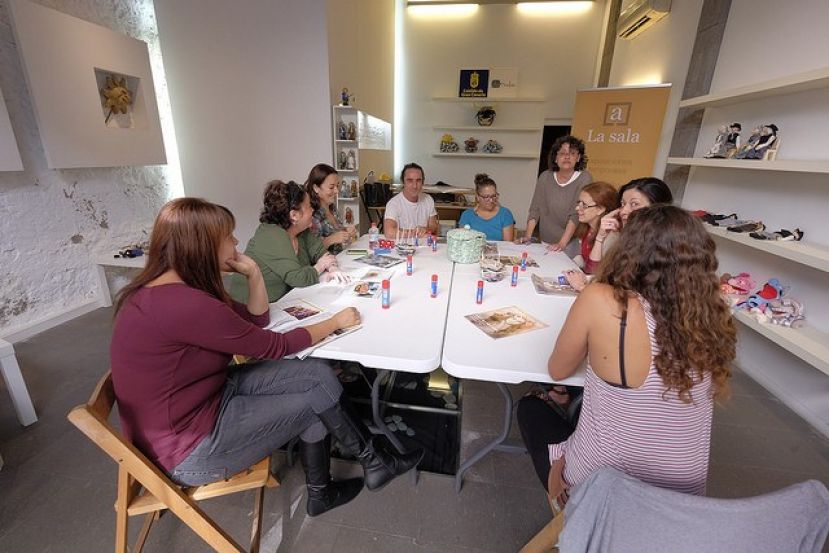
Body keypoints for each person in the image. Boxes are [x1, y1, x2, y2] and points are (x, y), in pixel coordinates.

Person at [110, 198, 424, 518]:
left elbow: (256, 320)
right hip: (190, 448)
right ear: (201, 247)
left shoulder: (175, 288)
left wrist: (253, 273)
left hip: (206, 399)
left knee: (316, 375)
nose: (236, 242)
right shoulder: (187, 305)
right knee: (317, 400)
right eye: (228, 237)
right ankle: (351, 475)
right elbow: (272, 345)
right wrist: (335, 322)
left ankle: (363, 469)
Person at [517, 205, 735, 511]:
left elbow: (558, 370)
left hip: (601, 494)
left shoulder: (602, 299)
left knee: (530, 406)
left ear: (630, 251)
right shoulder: (710, 315)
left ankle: (565, 509)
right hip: (683, 504)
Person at [229, 180, 342, 303]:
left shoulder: (301, 230)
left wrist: (332, 268)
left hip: (285, 300)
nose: (312, 210)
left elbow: (321, 252)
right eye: (309, 206)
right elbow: (298, 279)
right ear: (294, 215)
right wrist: (320, 266)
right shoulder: (271, 235)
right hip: (251, 308)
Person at [566, 176, 674, 291]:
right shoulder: (629, 241)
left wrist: (583, 288)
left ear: (658, 209)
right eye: (623, 204)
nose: (623, 211)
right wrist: (600, 237)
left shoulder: (659, 251)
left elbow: (631, 299)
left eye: (634, 204)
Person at [518, 135, 593, 253]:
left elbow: (576, 214)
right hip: (546, 239)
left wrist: (562, 243)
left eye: (572, 153)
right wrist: (528, 236)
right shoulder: (545, 177)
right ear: (555, 158)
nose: (567, 157)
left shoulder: (584, 178)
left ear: (578, 157)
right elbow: (535, 208)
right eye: (562, 153)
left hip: (571, 241)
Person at [305, 163, 358, 253]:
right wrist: (330, 240)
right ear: (316, 188)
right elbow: (311, 252)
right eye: (331, 187)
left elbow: (337, 236)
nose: (337, 191)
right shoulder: (312, 216)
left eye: (337, 186)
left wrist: (346, 232)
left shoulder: (332, 209)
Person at [569, 181, 619, 275]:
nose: (577, 208)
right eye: (578, 202)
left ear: (600, 209)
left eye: (584, 205)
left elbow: (595, 273)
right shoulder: (587, 228)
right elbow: (585, 260)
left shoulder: (611, 237)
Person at [383, 162, 440, 238]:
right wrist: (414, 232)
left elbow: (433, 226)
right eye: (410, 180)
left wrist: (425, 229)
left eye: (418, 180)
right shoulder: (393, 204)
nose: (414, 186)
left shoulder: (428, 199)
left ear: (422, 182)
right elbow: (389, 232)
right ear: (403, 182)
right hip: (403, 247)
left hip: (424, 247)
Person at [457, 173, 515, 241]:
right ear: (478, 197)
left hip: (501, 251)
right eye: (486, 197)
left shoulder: (505, 214)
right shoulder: (467, 215)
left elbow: (507, 245)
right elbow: (462, 242)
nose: (491, 200)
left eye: (494, 196)